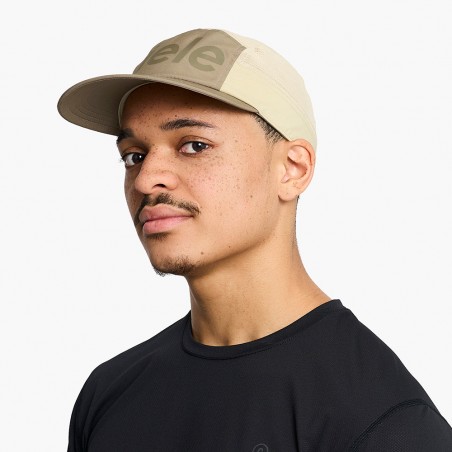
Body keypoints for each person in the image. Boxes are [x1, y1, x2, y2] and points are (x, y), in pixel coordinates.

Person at [57, 28, 452, 452]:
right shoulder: (109, 393)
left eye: (194, 146)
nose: (146, 179)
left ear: (293, 169)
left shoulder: (383, 421)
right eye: (134, 155)